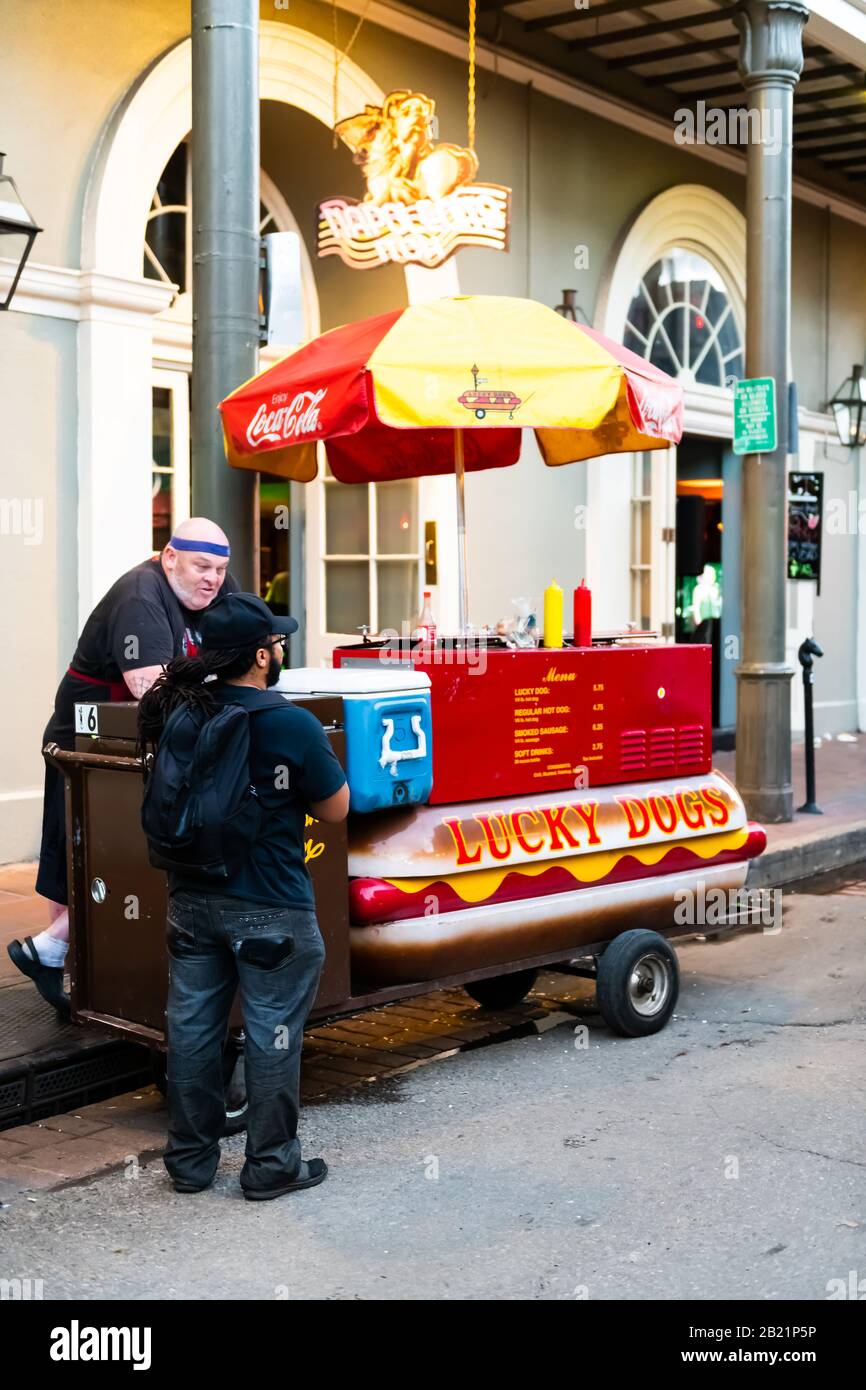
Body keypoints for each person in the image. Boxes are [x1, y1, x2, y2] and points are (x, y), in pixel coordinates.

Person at [136, 592, 349, 1200]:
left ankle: (191, 1162)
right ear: (259, 656)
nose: (281, 651)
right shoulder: (290, 722)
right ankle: (271, 1165)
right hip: (272, 908)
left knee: (195, 1031)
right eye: (277, 644)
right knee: (271, 1032)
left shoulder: (183, 711)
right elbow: (335, 810)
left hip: (190, 903)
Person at [7, 518, 236, 1018]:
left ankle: (62, 957)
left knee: (122, 855)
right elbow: (149, 689)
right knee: (80, 854)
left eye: (220, 569)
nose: (213, 579)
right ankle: (72, 965)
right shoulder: (141, 594)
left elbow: (252, 644)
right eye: (202, 566)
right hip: (83, 746)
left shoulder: (214, 586)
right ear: (169, 556)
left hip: (139, 745)